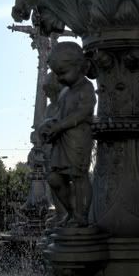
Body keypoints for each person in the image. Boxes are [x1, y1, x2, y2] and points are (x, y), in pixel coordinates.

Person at [39, 42, 95, 227]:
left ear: (79, 67)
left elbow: (84, 112)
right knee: (54, 178)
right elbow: (58, 114)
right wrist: (49, 125)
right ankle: (71, 212)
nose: (59, 78)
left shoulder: (86, 88)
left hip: (78, 139)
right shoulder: (64, 92)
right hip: (61, 140)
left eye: (63, 73)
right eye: (57, 74)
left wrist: (60, 125)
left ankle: (82, 215)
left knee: (79, 176)